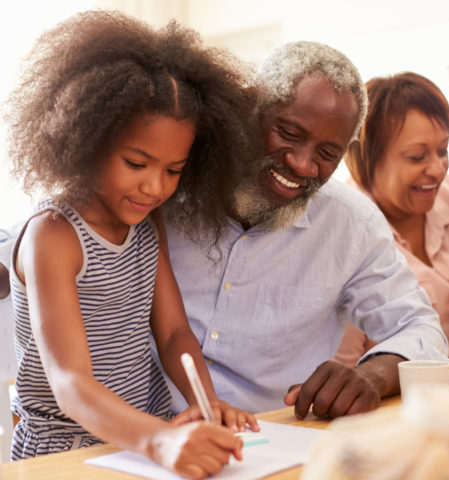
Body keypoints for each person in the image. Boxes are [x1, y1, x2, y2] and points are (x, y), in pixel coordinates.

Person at [4, 11, 260, 477]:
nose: (154, 188)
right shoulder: (54, 235)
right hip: (66, 449)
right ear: (88, 140)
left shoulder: (147, 223)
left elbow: (173, 334)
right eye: (136, 163)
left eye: (173, 170)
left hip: (147, 433)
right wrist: (159, 441)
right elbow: (69, 382)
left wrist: (207, 402)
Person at [160, 41, 449, 420]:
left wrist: (373, 374)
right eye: (289, 133)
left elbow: (422, 329)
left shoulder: (351, 224)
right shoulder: (165, 186)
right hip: (135, 437)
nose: (302, 164)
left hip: (267, 439)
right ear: (249, 108)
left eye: (328, 153)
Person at [334, 72, 449, 370]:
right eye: (417, 157)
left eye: (443, 150)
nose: (437, 169)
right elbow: (343, 372)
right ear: (366, 158)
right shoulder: (344, 231)